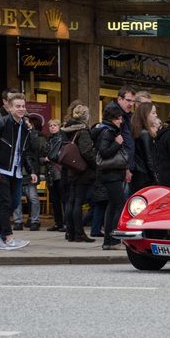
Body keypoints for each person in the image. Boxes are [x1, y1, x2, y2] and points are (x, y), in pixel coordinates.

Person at [0, 93, 34, 250]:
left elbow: (25, 151)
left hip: (17, 171)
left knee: (13, 203)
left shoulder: (25, 126)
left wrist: (31, 170)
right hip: (1, 170)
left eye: (23, 106)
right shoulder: (0, 123)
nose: (21, 109)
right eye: (17, 106)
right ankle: (9, 238)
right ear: (10, 108)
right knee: (6, 203)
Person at [61, 103, 96, 243]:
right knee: (78, 202)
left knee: (72, 201)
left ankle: (70, 232)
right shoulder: (83, 131)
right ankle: (79, 233)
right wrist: (96, 165)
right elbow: (87, 151)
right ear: (86, 117)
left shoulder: (66, 129)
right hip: (82, 170)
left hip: (70, 169)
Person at [95, 104, 127, 250]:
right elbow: (104, 152)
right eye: (119, 118)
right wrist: (117, 143)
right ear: (112, 119)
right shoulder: (108, 132)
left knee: (112, 205)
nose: (121, 121)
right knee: (120, 204)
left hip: (111, 174)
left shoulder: (106, 129)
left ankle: (109, 240)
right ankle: (112, 240)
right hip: (111, 174)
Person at [103, 86, 136, 196]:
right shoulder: (115, 114)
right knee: (119, 204)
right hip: (118, 168)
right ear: (119, 99)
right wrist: (126, 168)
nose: (131, 104)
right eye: (128, 100)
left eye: (133, 101)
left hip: (121, 166)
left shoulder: (126, 115)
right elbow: (122, 143)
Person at [12, 114, 42, 231]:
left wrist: (30, 130)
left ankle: (35, 220)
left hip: (29, 169)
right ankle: (18, 221)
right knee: (17, 197)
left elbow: (35, 146)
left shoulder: (31, 132)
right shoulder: (15, 130)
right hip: (17, 168)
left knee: (33, 197)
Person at [130, 102, 160, 192]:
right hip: (145, 177)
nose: (156, 115)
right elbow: (149, 158)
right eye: (153, 113)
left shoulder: (139, 131)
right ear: (145, 115)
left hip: (140, 175)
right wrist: (155, 178)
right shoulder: (145, 134)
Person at [43, 118, 65, 232]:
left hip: (59, 172)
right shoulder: (48, 140)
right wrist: (44, 159)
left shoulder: (61, 139)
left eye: (55, 125)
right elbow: (43, 156)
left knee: (63, 199)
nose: (52, 127)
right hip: (50, 173)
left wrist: (49, 158)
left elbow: (57, 155)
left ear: (59, 126)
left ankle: (65, 223)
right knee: (55, 200)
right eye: (50, 125)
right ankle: (58, 223)